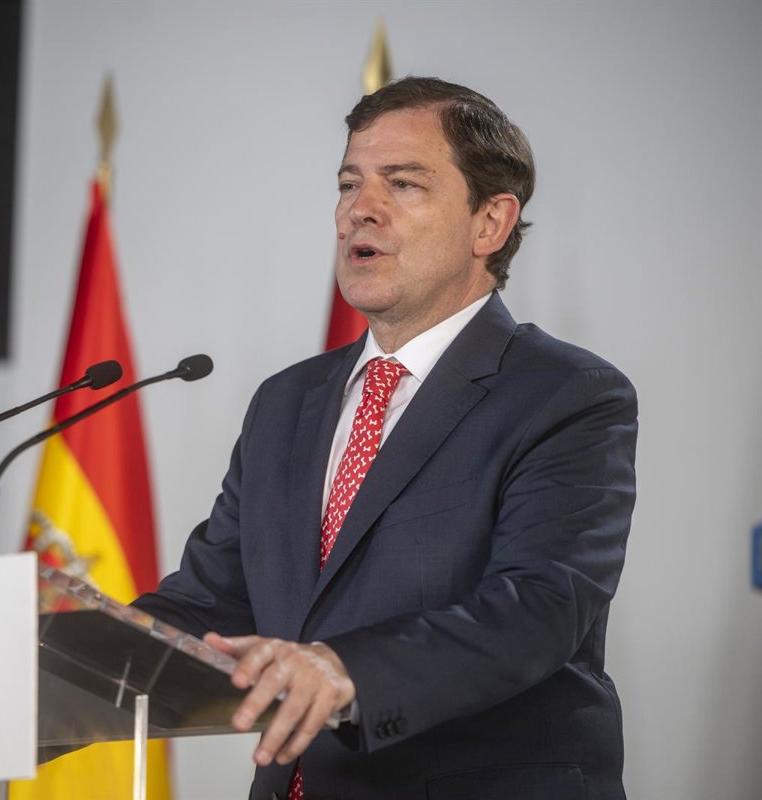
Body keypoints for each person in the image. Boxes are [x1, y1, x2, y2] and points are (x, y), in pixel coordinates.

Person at [133, 77, 637, 800]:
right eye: (349, 184)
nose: (358, 210)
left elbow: (539, 607)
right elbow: (210, 605)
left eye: (402, 184)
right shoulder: (285, 402)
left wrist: (346, 670)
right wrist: (54, 649)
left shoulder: (566, 394)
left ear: (490, 223)